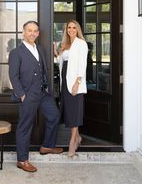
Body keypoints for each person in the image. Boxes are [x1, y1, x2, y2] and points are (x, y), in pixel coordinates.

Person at [9, 21, 63, 172]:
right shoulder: (16, 52)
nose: (32, 33)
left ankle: (47, 146)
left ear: (38, 33)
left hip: (42, 92)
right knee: (25, 126)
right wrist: (22, 95)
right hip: (27, 95)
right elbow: (13, 76)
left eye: (35, 31)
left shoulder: (40, 49)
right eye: (29, 30)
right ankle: (22, 160)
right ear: (23, 32)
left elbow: (43, 69)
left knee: (54, 115)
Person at [54, 20, 88, 157]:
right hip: (65, 81)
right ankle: (78, 137)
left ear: (77, 29)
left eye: (74, 27)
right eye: (69, 27)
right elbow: (61, 62)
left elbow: (82, 64)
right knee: (69, 110)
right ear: (66, 29)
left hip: (75, 82)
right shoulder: (65, 44)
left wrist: (77, 82)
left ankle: (72, 141)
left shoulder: (81, 43)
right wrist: (56, 53)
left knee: (75, 111)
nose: (71, 30)